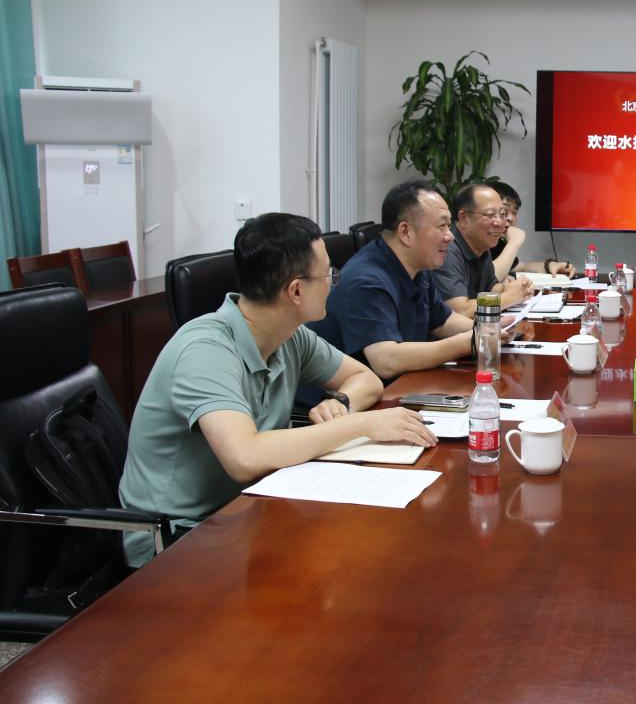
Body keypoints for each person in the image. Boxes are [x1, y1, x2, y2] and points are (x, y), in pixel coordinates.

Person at [118, 213, 437, 567]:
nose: (334, 283)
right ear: (296, 290)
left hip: (251, 505)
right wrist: (358, 424)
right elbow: (245, 457)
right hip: (177, 536)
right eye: (328, 275)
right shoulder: (205, 350)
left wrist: (340, 403)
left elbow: (366, 379)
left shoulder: (289, 335)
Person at [306, 179, 480, 380]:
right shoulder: (366, 279)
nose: (450, 236)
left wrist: (489, 330)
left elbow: (443, 321)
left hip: (397, 386)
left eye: (449, 226)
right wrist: (465, 343)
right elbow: (386, 360)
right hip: (342, 396)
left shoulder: (417, 266)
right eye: (442, 226)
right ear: (405, 232)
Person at [434, 183, 533, 317]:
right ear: (463, 218)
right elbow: (461, 310)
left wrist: (511, 288)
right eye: (490, 215)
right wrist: (508, 297)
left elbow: (490, 289)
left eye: (502, 214)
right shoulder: (446, 249)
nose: (499, 222)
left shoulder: (481, 245)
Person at [487, 179, 575, 282]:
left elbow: (522, 267)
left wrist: (550, 266)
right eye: (503, 211)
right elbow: (489, 278)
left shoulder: (498, 244)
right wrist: (513, 243)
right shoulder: (477, 244)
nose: (511, 218)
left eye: (514, 212)